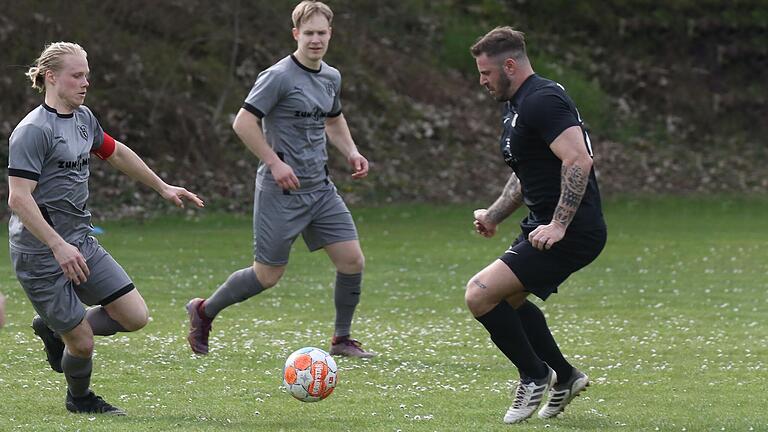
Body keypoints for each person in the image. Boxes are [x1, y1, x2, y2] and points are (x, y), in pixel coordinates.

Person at [7, 42, 204, 415]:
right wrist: (57, 246)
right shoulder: (32, 131)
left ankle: (54, 329)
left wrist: (161, 186)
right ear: (51, 77)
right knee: (81, 343)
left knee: (134, 316)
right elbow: (19, 199)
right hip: (40, 251)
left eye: (87, 76)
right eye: (76, 75)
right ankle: (79, 399)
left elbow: (116, 152)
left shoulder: (83, 119)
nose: (85, 83)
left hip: (81, 240)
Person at [186, 0, 374, 358]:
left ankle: (341, 339)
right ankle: (204, 310)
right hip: (281, 190)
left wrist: (351, 151)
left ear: (330, 34)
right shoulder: (278, 76)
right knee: (267, 275)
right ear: (295, 35)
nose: (315, 40)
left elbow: (334, 121)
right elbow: (243, 122)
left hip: (320, 189)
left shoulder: (331, 77)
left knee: (352, 260)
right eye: (309, 33)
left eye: (321, 33)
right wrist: (274, 162)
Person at [466, 27, 607, 424]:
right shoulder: (517, 103)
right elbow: (525, 173)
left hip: (573, 231)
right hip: (542, 226)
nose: (482, 81)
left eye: (486, 73)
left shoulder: (542, 99)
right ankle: (565, 376)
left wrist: (559, 225)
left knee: (479, 295)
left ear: (509, 65)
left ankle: (534, 374)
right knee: (506, 301)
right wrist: (493, 215)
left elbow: (578, 159)